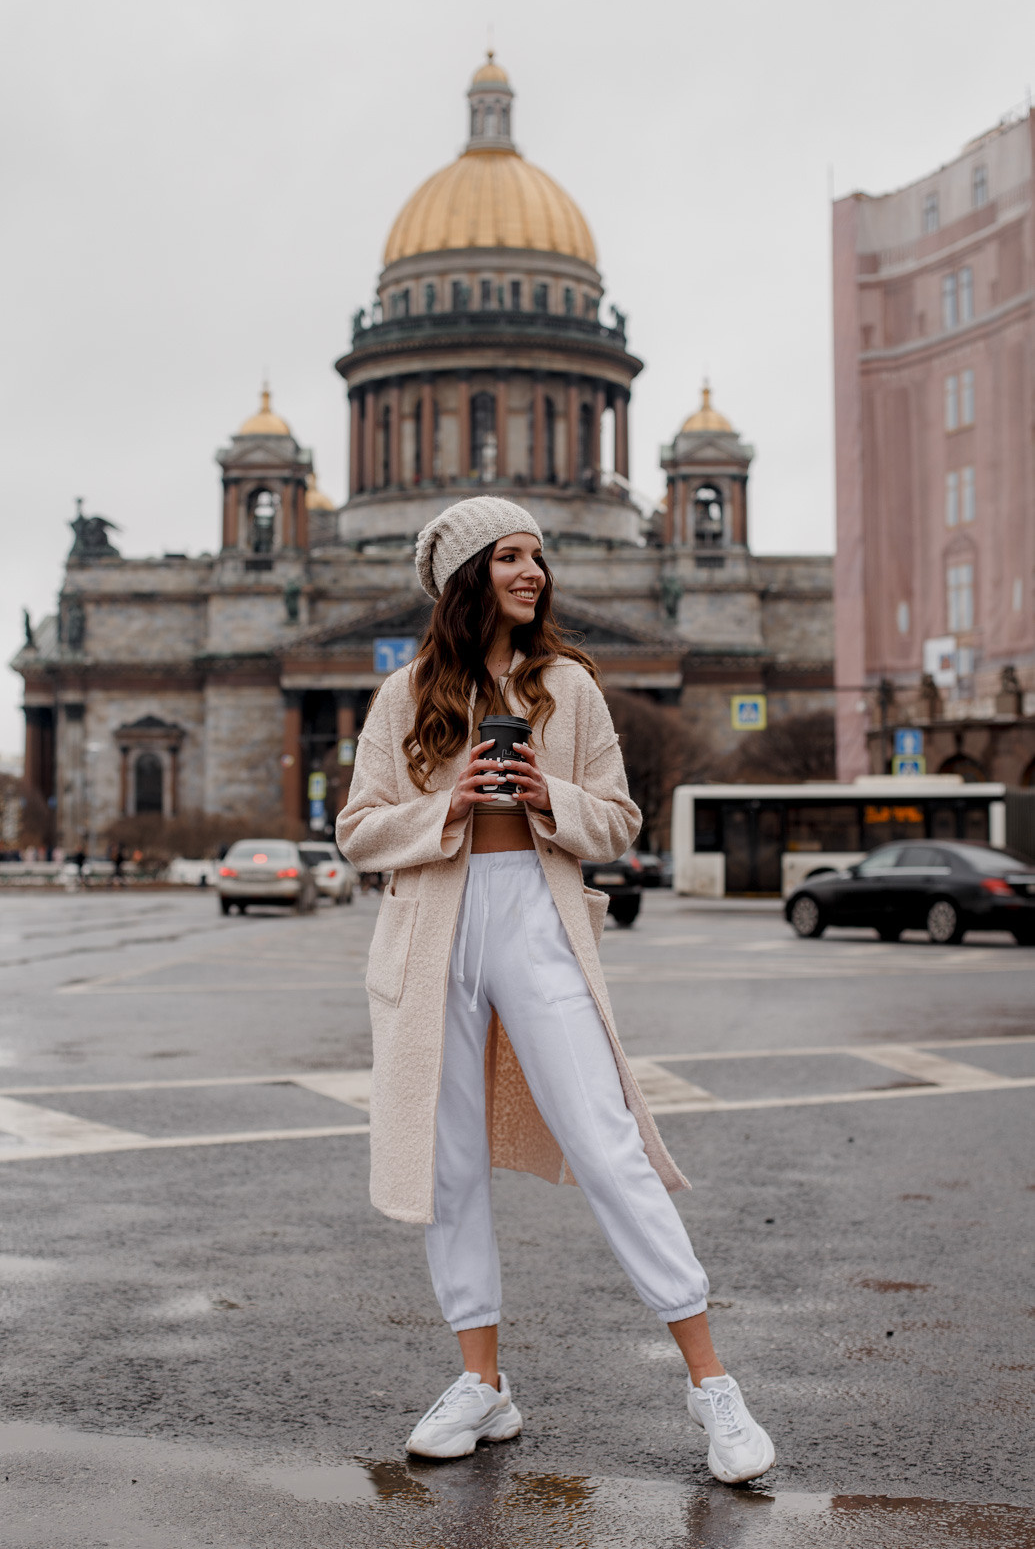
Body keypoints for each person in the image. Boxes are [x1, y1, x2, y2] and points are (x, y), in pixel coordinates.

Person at [336, 497, 775, 1485]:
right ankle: (480, 1379)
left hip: (537, 920)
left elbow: (616, 817)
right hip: (430, 928)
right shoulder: (402, 693)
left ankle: (712, 1385)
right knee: (446, 1162)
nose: (531, 572)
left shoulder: (568, 685)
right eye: (509, 556)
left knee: (607, 1144)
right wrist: (443, 805)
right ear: (465, 577)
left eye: (537, 555)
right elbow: (359, 828)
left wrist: (550, 799)